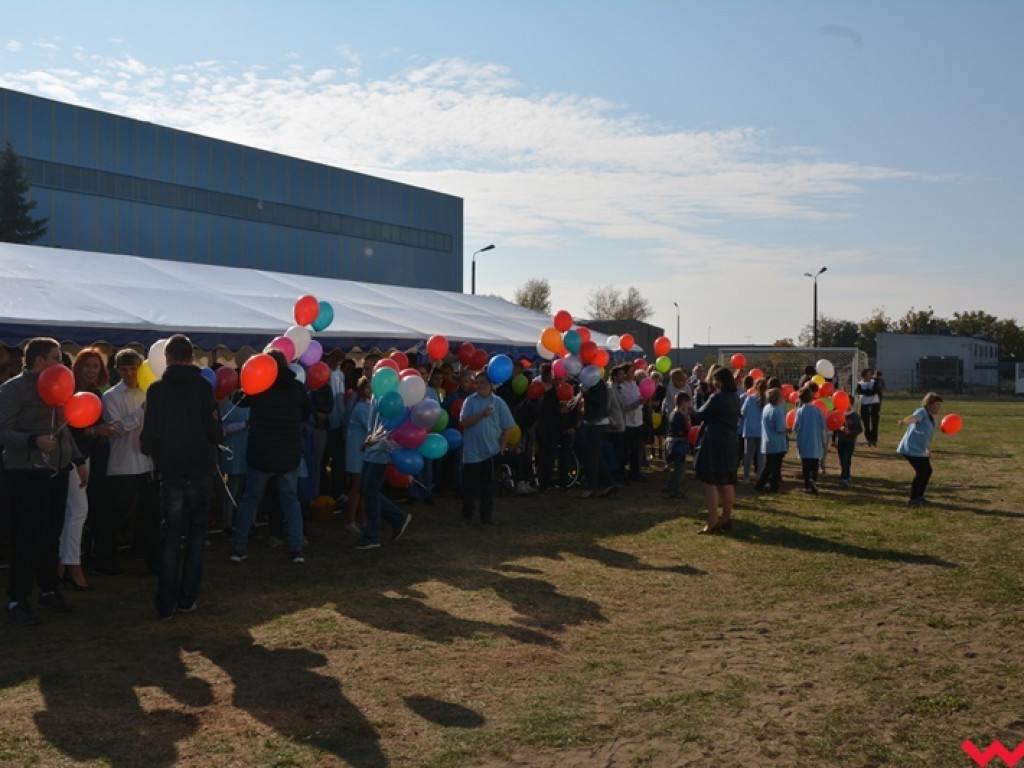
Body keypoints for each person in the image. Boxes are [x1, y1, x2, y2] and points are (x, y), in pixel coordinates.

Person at [0, 338, 88, 625]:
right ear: (39, 360)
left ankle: (49, 589)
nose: (61, 363)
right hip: (27, 472)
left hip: (57, 470)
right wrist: (33, 440)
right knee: (30, 534)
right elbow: (2, 430)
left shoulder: (59, 386)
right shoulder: (13, 390)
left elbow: (65, 427)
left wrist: (77, 459)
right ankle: (18, 598)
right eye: (56, 357)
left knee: (52, 532)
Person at [140, 334, 222, 619]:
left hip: (172, 469)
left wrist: (156, 452)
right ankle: (188, 597)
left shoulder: (157, 390)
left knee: (171, 536)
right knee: (197, 535)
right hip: (200, 468)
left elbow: (147, 437)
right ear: (191, 357)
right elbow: (215, 431)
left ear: (168, 358)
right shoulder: (202, 387)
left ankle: (166, 602)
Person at [230, 350, 310, 564]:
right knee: (290, 501)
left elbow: (239, 400)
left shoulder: (260, 388)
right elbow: (306, 414)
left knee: (250, 500)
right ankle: (296, 549)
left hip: (261, 451)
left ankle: (239, 547)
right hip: (288, 452)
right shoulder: (297, 388)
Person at [99, 349, 160, 575]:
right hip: (122, 465)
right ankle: (104, 560)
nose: (128, 374)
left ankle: (149, 558)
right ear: (117, 371)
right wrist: (141, 412)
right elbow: (117, 429)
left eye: (132, 369)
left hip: (147, 463)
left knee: (150, 515)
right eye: (123, 370)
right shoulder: (111, 397)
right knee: (115, 515)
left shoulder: (149, 391)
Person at [60, 347, 117, 591]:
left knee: (75, 512)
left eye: (96, 366)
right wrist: (94, 431)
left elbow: (94, 432)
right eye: (87, 366)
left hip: (89, 458)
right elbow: (67, 431)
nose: (92, 371)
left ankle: (64, 563)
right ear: (78, 368)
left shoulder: (96, 393)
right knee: (78, 511)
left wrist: (104, 433)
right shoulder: (69, 393)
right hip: (71, 460)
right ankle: (72, 565)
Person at [353, 390, 412, 550]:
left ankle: (373, 536)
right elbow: (376, 424)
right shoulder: (376, 394)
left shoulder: (392, 397)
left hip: (380, 452)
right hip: (372, 449)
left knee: (370, 491)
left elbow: (389, 426)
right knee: (366, 491)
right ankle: (398, 518)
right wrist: (369, 441)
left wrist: (375, 442)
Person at [459, 373, 516, 524]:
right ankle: (466, 517)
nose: (479, 386)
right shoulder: (470, 401)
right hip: (472, 452)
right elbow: (464, 422)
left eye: (483, 383)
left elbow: (507, 427)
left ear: (491, 385)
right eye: (476, 383)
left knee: (487, 488)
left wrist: (502, 448)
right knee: (469, 488)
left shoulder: (498, 403)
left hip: (491, 452)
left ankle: (486, 517)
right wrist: (482, 414)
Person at [691, 367, 741, 534]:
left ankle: (712, 521)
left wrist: (698, 396)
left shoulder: (717, 397)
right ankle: (726, 517)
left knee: (710, 481)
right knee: (727, 480)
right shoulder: (734, 397)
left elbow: (698, 415)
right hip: (730, 441)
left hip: (713, 442)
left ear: (719, 382)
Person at [897, 392, 943, 506]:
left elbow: (928, 437)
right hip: (911, 448)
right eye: (936, 405)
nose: (938, 408)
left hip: (921, 450)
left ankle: (919, 497)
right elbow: (914, 418)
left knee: (927, 471)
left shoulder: (933, 420)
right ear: (928, 404)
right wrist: (904, 421)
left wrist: (929, 450)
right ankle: (913, 499)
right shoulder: (922, 412)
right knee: (922, 471)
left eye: (939, 405)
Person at [343, 377, 372, 534]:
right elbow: (371, 427)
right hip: (356, 452)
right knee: (357, 487)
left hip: (362, 452)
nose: (370, 390)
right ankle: (350, 520)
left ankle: (362, 519)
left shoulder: (368, 406)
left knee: (362, 488)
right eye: (367, 388)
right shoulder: (361, 407)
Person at [755, 387, 789, 493]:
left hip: (768, 441)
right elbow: (780, 429)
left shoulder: (767, 408)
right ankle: (762, 484)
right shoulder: (777, 411)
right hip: (776, 443)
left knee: (771, 465)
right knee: (773, 466)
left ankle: (772, 485)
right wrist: (788, 429)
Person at [793, 388, 826, 494]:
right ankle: (813, 480)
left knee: (806, 464)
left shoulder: (800, 411)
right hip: (816, 441)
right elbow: (823, 426)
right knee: (815, 463)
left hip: (804, 441)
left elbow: (796, 427)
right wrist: (824, 440)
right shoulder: (817, 410)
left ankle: (808, 484)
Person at [663, 391, 691, 499]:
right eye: (687, 403)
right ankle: (675, 489)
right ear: (683, 402)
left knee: (677, 467)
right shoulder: (679, 415)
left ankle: (670, 486)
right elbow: (681, 431)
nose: (688, 405)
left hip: (673, 443)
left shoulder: (673, 413)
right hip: (677, 444)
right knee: (680, 468)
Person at [740, 378, 767, 483]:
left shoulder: (749, 398)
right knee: (761, 456)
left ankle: (746, 477)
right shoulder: (768, 400)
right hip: (762, 432)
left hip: (749, 430)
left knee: (748, 455)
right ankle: (760, 476)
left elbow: (743, 412)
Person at [835, 395, 863, 490]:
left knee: (846, 460)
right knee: (842, 460)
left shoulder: (855, 417)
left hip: (849, 442)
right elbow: (835, 426)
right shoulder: (840, 414)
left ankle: (845, 479)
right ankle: (846, 476)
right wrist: (839, 430)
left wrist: (849, 432)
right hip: (841, 442)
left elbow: (859, 429)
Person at [855, 368, 881, 446]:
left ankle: (874, 439)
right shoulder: (860, 384)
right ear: (865, 375)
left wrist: (867, 392)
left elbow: (876, 391)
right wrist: (869, 392)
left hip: (874, 404)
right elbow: (859, 391)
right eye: (869, 373)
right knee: (866, 423)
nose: (870, 375)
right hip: (865, 404)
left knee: (875, 422)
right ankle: (869, 438)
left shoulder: (874, 382)